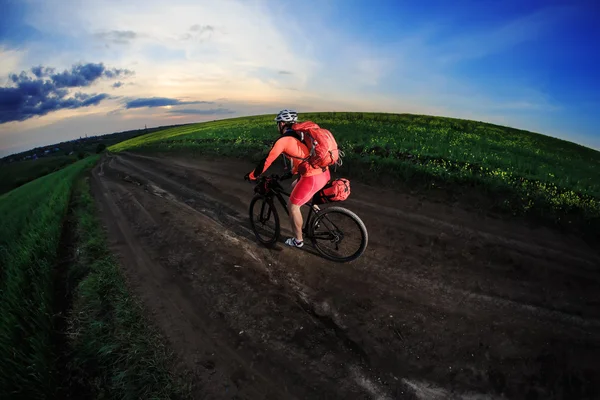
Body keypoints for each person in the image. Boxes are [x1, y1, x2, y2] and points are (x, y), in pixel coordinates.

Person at [244, 109, 331, 248]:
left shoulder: (283, 140)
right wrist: (290, 173)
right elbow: (302, 157)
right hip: (324, 172)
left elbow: (267, 160)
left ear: (282, 123)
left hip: (312, 178)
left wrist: (252, 175)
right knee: (295, 186)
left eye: (278, 123)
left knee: (293, 206)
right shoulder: (301, 135)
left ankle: (298, 241)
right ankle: (316, 218)